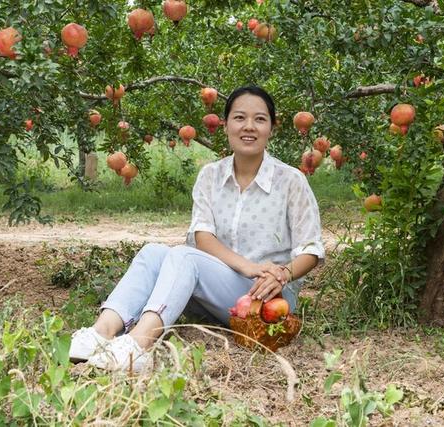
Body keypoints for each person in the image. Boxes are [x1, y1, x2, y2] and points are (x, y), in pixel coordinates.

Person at [69, 85, 324, 372]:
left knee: (183, 256)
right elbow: (202, 236)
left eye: (260, 119)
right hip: (216, 290)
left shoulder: (290, 181)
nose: (249, 127)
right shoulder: (211, 175)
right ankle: (101, 332)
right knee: (154, 252)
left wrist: (283, 273)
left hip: (267, 297)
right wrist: (247, 266)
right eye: (239, 118)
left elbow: (311, 250)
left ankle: (139, 345)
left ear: (272, 128)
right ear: (226, 125)